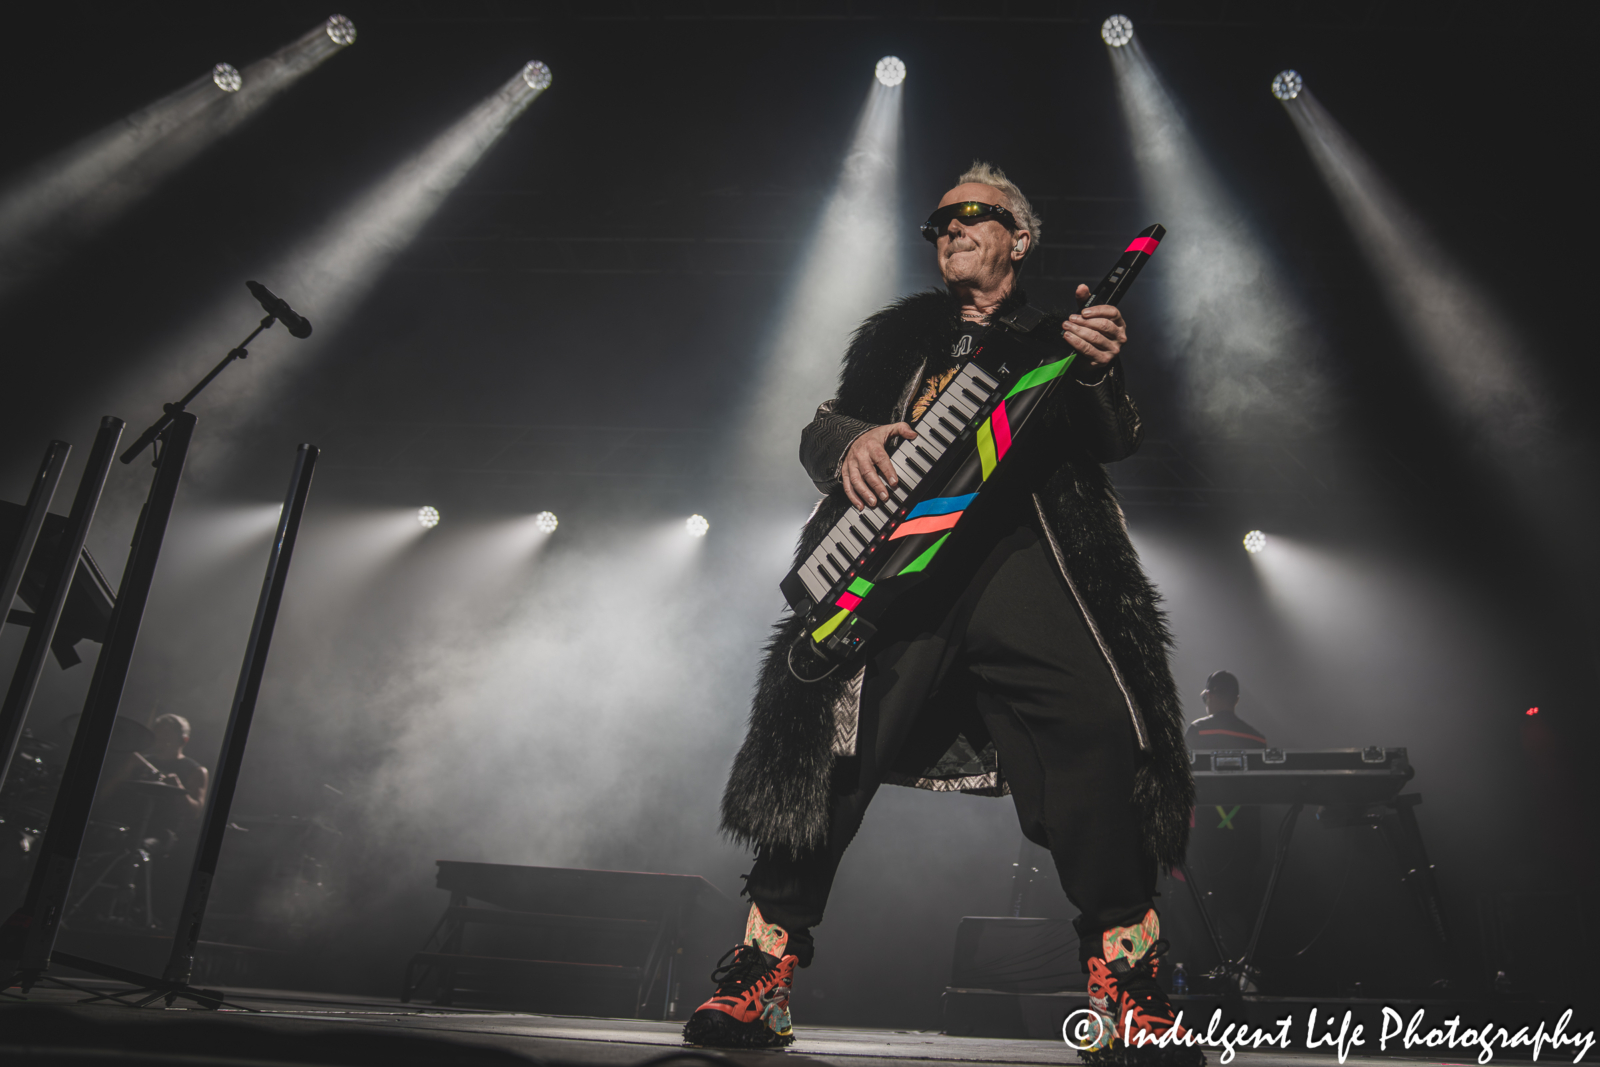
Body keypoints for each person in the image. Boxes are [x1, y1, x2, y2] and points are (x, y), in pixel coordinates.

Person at [685, 163, 1197, 1064]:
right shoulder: (896, 336)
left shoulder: (1060, 333)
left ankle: (1127, 988)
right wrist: (852, 443)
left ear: (1019, 237)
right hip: (894, 572)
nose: (949, 227)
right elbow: (821, 428)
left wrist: (1096, 371)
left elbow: (1115, 440)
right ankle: (760, 976)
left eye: (973, 214)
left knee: (1095, 735)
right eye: (939, 220)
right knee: (831, 755)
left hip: (1028, 562)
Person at [1184, 671, 1267, 963]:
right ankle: (1240, 972)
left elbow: (1184, 780)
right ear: (1237, 700)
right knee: (1238, 904)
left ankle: (1203, 974)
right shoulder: (1256, 737)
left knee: (1201, 904)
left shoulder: (1198, 730)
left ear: (1209, 696)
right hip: (1246, 836)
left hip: (1207, 835)